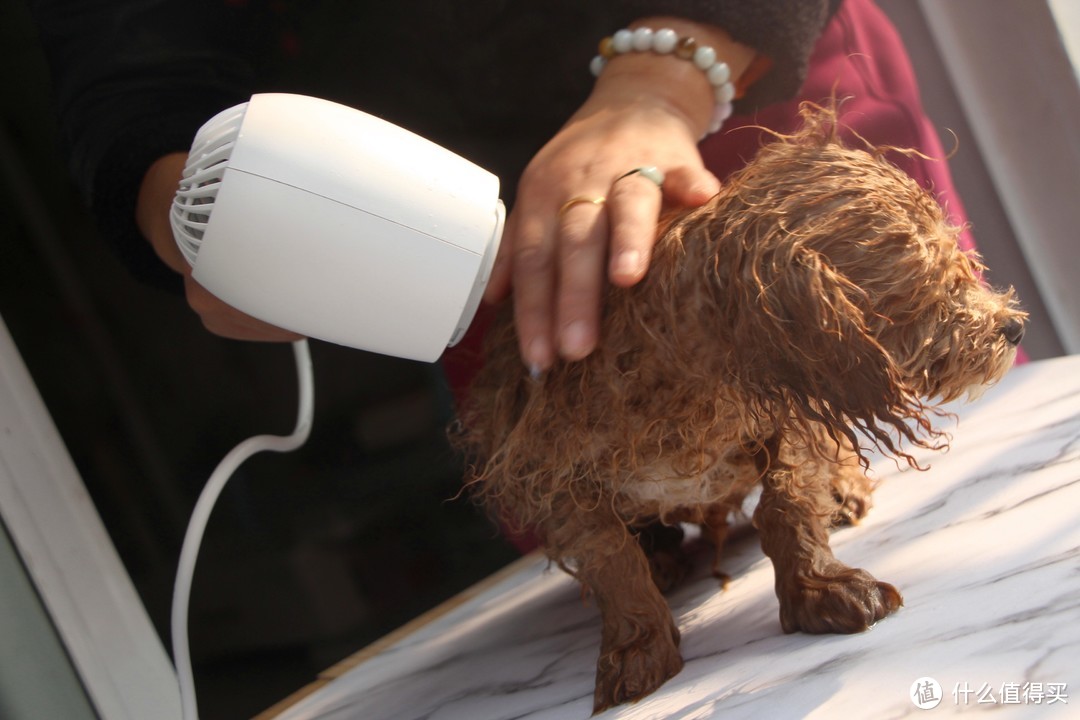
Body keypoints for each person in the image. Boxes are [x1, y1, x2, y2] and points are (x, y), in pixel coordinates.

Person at [28, 0, 984, 381]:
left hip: (737, 87)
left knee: (916, 439)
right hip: (457, 234)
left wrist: (660, 83)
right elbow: (129, 55)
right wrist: (189, 208)